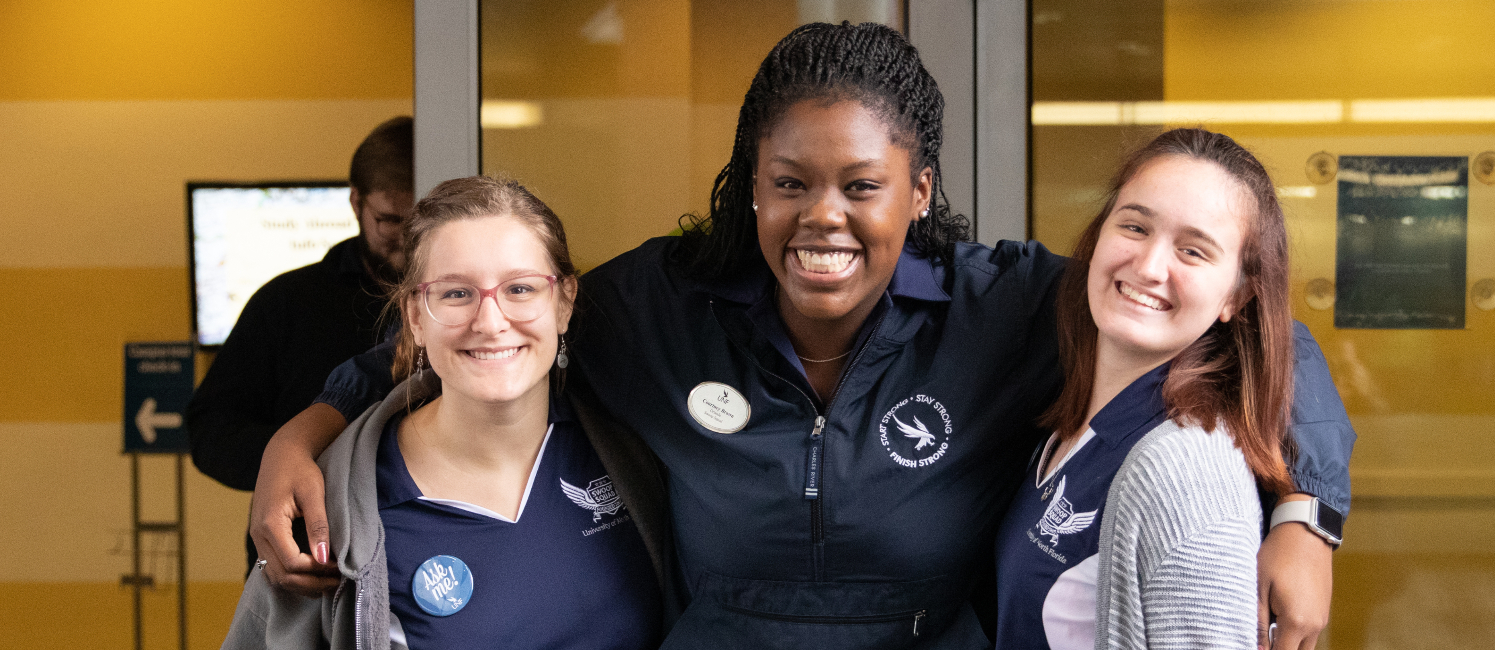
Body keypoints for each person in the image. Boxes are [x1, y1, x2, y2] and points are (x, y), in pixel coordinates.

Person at [250, 23, 1352, 648]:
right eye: (789, 183)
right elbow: (488, 321)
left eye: (861, 185)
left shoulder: (1005, 305)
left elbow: (1259, 341)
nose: (823, 216)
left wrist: (1307, 515)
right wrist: (305, 429)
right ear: (751, 190)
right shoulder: (658, 306)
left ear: (918, 191)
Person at [221, 177, 668, 649]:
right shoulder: (343, 508)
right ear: (415, 315)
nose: (491, 322)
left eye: (520, 288)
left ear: (564, 302)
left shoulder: (634, 452)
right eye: (456, 293)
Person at [994, 128, 1307, 649]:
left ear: (1237, 294)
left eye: (1193, 251)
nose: (1148, 266)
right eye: (1135, 226)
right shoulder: (1073, 426)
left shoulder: (1187, 475)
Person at [188, 116, 415, 573]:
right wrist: (297, 459)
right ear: (355, 203)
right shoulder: (286, 302)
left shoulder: (463, 304)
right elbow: (211, 431)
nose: (408, 242)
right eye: (390, 220)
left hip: (423, 550)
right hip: (306, 560)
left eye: (420, 223)